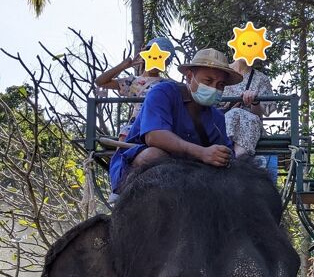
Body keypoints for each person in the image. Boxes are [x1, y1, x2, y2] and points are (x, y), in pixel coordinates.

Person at [108, 48, 241, 194]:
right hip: (143, 169)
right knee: (153, 156)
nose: (213, 88)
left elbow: (226, 154)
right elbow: (154, 136)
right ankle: (124, 200)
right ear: (189, 77)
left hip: (193, 176)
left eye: (220, 84)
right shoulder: (163, 92)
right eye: (208, 81)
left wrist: (222, 156)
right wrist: (202, 153)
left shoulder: (217, 118)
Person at [94, 36, 175, 140]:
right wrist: (123, 66)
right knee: (124, 134)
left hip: (157, 127)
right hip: (135, 127)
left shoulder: (168, 85)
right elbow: (100, 82)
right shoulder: (132, 82)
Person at [221, 58, 274, 157]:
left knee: (241, 115)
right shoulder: (220, 72)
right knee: (232, 114)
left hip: (250, 122)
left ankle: (239, 159)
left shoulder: (261, 79)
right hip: (222, 119)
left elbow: (259, 115)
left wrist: (254, 102)